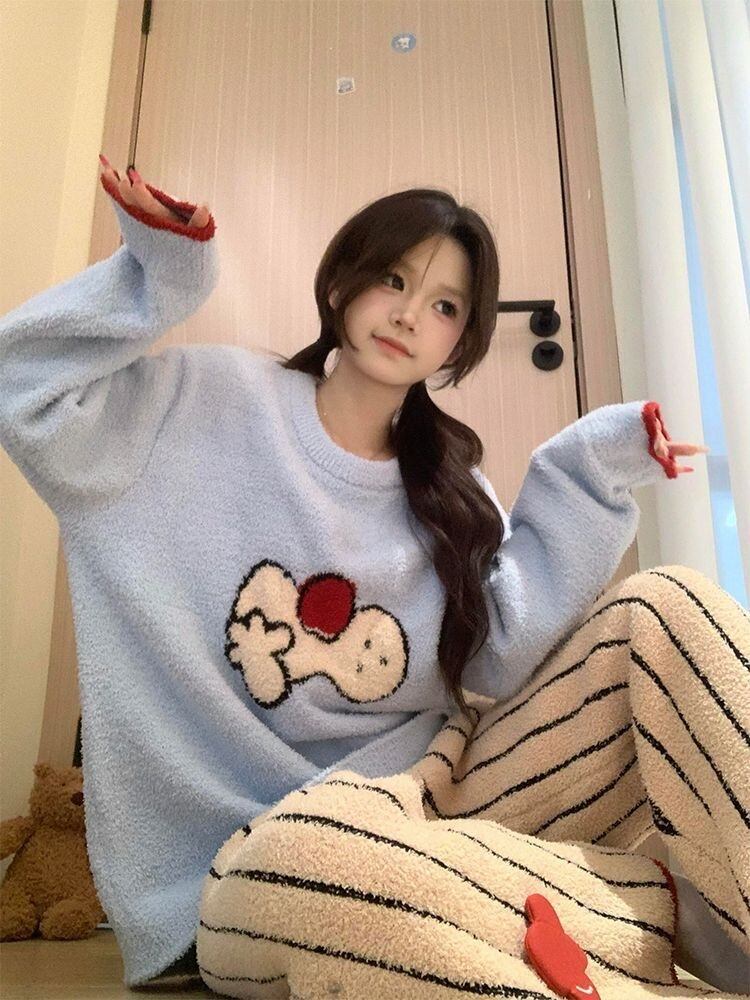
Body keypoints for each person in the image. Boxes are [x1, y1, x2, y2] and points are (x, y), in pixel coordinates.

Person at [0, 156, 746, 996]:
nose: (408, 315)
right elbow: (23, 390)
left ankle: (638, 912)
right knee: (307, 864)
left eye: (445, 306)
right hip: (248, 870)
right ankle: (658, 914)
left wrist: (587, 475)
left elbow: (499, 657)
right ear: (341, 282)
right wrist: (160, 276)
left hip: (441, 801)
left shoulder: (453, 490)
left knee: (664, 607)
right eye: (394, 279)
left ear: (460, 342)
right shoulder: (201, 402)